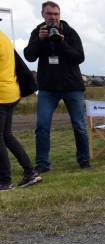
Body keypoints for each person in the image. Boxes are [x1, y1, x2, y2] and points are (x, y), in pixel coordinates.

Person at [23, 1, 89, 173]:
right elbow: (29, 56)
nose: (53, 17)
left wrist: (62, 43)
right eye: (49, 14)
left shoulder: (70, 32)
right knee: (42, 126)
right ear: (43, 15)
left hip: (72, 86)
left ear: (60, 15)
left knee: (79, 125)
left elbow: (79, 57)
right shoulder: (37, 32)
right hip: (47, 88)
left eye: (56, 14)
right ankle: (43, 163)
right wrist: (39, 40)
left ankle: (84, 160)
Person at [0, 28, 42, 191]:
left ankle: (4, 180)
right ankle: (30, 172)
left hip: (2, 95)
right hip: (11, 92)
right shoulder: (4, 37)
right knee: (7, 136)